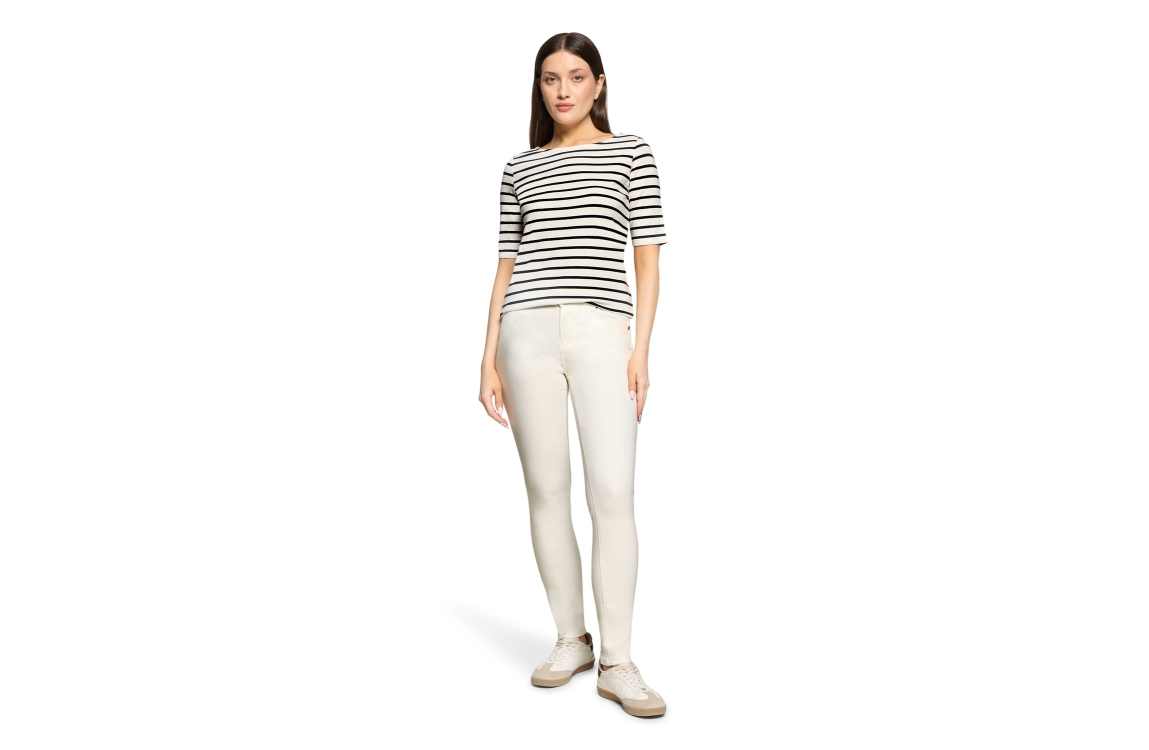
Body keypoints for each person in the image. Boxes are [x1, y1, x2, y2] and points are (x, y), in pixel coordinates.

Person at [477, 31, 668, 719]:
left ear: (599, 84)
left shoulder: (631, 153)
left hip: (601, 330)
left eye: (576, 76)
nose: (563, 90)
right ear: (540, 87)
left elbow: (647, 259)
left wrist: (640, 350)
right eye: (550, 78)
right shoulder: (518, 167)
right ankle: (570, 639)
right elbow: (506, 265)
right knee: (546, 491)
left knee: (612, 491)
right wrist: (487, 357)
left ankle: (618, 660)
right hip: (523, 333)